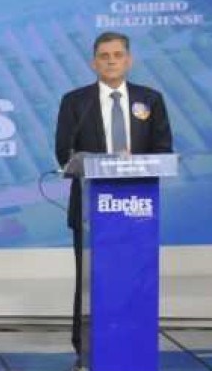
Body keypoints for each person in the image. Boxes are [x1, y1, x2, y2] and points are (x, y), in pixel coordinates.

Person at [53, 31, 173, 353]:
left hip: (137, 207)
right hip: (91, 208)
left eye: (117, 55)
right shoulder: (76, 102)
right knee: (91, 278)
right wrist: (98, 163)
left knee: (136, 277)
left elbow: (163, 151)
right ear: (94, 63)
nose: (111, 61)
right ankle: (87, 346)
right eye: (104, 56)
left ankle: (136, 341)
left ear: (128, 60)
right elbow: (64, 153)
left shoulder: (151, 99)